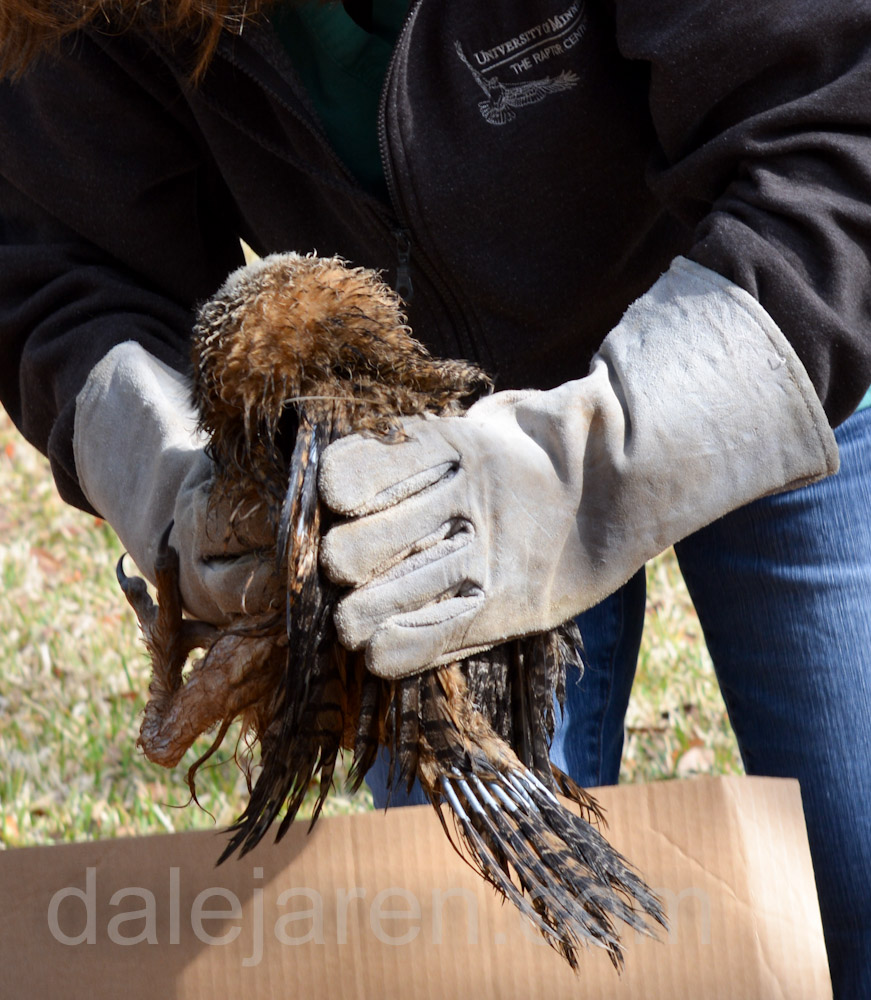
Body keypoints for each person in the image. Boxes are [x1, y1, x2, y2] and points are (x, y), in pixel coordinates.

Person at [0, 1, 868, 992]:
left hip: (763, 333)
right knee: (478, 933)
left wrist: (566, 470)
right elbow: (67, 258)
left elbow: (835, 145)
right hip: (404, 474)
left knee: (859, 860)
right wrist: (173, 480)